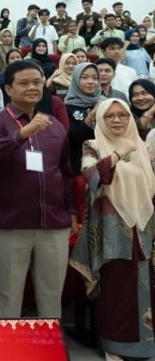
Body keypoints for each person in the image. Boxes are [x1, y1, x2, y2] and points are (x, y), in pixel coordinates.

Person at [0, 60, 78, 318]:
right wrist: (22, 134)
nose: (32, 87)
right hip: (12, 224)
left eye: (37, 82)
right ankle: (6, 344)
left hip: (53, 223)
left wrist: (71, 212)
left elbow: (66, 173)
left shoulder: (54, 125)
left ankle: (50, 343)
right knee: (9, 294)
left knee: (51, 295)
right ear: (8, 89)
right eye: (24, 83)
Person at [70, 99, 155, 361]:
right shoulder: (93, 145)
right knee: (115, 289)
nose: (117, 120)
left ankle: (145, 346)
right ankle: (113, 346)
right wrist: (118, 154)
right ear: (101, 120)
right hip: (110, 231)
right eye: (110, 116)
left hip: (142, 229)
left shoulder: (141, 147)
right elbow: (91, 175)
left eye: (122, 115)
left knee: (143, 288)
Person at [64, 63, 105, 173]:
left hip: (106, 159)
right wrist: (92, 114)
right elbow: (74, 138)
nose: (91, 82)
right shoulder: (67, 107)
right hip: (79, 164)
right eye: (85, 77)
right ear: (76, 80)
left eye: (95, 78)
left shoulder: (105, 103)